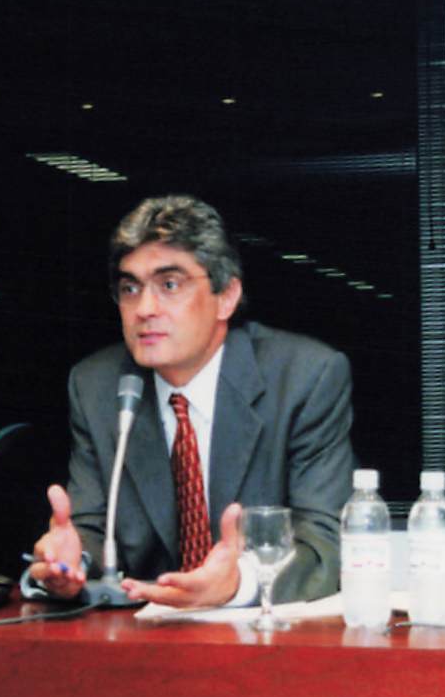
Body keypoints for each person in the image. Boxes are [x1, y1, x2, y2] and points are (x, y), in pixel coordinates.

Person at [28, 195, 356, 608]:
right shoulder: (97, 387)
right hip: (144, 630)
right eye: (130, 288)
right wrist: (71, 563)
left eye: (169, 285)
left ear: (227, 296)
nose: (144, 309)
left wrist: (239, 582)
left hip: (262, 631)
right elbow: (91, 529)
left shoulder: (304, 378)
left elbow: (325, 544)